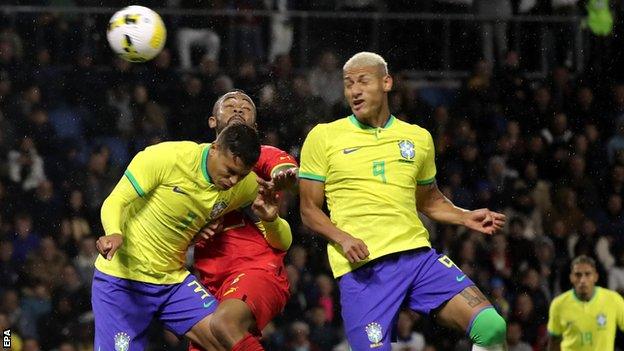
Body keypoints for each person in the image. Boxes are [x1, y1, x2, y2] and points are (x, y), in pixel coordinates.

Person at [299, 52, 508, 351]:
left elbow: (429, 199)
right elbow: (308, 209)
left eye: (363, 81)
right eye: (348, 84)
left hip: (418, 259)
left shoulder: (418, 138)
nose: (354, 91)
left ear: (386, 83)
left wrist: (463, 216)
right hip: (364, 271)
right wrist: (342, 238)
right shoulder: (324, 137)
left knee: (491, 327)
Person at [93, 123, 289, 351]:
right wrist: (114, 232)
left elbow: (283, 242)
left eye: (241, 175)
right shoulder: (167, 158)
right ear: (214, 148)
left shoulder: (244, 185)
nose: (233, 181)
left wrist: (272, 220)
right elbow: (115, 201)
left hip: (172, 283)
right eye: (229, 171)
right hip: (122, 281)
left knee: (228, 337)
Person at [189, 90, 298, 351]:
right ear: (212, 122)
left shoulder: (263, 156)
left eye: (246, 107)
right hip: (208, 283)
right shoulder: (190, 164)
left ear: (255, 126)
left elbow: (286, 171)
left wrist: (288, 176)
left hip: (255, 269)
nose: (238, 109)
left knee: (225, 323)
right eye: (229, 105)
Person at [547, 255, 624, 350]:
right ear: (571, 277)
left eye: (588, 274)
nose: (582, 280)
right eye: (578, 275)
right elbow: (554, 341)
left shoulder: (613, 300)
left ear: (596, 277)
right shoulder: (558, 304)